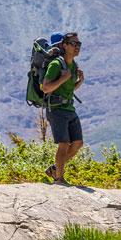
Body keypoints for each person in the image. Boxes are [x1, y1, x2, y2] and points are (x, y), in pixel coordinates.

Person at [40, 31, 84, 185]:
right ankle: (59, 178)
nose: (77, 47)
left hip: (69, 108)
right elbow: (46, 88)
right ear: (65, 45)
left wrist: (79, 82)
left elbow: (68, 90)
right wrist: (63, 78)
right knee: (64, 144)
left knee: (78, 143)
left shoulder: (74, 66)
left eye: (79, 44)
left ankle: (55, 168)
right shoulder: (56, 64)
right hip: (56, 109)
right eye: (73, 44)